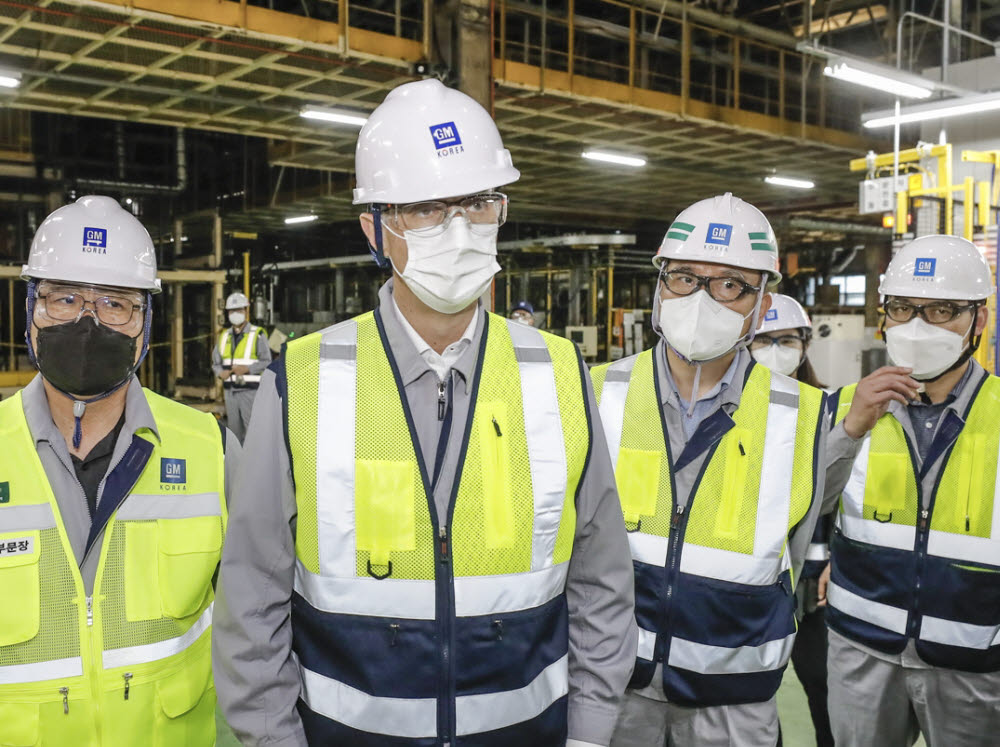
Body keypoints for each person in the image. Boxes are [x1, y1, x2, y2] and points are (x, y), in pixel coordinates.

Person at [213, 78, 637, 746]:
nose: (460, 228)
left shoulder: (557, 374)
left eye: (478, 202)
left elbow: (601, 580)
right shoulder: (302, 378)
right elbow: (252, 597)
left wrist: (588, 732)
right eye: (427, 208)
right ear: (374, 227)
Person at [0, 196, 238, 745]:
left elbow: (260, 621)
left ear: (146, 322)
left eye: (115, 303)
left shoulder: (210, 450)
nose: (88, 322)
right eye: (63, 298)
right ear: (30, 312)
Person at [592, 194, 829, 747]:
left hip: (734, 702)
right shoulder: (596, 391)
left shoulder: (802, 415)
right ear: (659, 283)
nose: (701, 299)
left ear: (762, 301)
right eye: (684, 278)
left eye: (730, 285)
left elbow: (788, 558)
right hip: (611, 690)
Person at [824, 234, 1000, 746]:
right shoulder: (845, 406)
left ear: (978, 322)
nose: (918, 326)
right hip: (860, 652)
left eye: (941, 310)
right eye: (902, 308)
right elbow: (804, 508)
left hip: (973, 666)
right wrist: (849, 431)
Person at [749, 293, 834, 747]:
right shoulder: (734, 414)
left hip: (816, 593)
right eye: (764, 340)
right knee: (754, 696)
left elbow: (843, 498)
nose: (776, 350)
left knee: (825, 693)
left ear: (804, 344)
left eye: (786, 340)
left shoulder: (827, 409)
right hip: (756, 584)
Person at [212, 291, 271, 442]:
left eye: (239, 310)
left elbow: (267, 361)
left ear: (246, 311)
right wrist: (220, 373)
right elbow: (216, 362)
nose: (235, 314)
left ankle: (255, 465)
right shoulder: (224, 336)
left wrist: (247, 369)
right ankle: (237, 464)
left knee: (252, 432)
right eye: (232, 311)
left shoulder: (257, 334)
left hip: (249, 392)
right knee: (233, 434)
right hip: (230, 392)